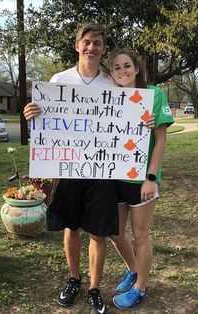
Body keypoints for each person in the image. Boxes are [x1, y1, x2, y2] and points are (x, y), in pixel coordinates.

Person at [23, 24, 155, 314]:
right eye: (87, 42)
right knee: (71, 227)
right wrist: (30, 114)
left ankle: (94, 287)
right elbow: (45, 119)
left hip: (102, 170)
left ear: (103, 49)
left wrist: (144, 121)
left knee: (98, 231)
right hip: (69, 167)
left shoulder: (112, 82)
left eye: (97, 43)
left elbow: (132, 110)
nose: (92, 47)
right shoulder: (59, 79)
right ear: (77, 46)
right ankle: (74, 279)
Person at [107, 48, 174, 310]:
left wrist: (151, 177)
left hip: (141, 180)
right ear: (111, 73)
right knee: (114, 232)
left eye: (127, 66)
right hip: (113, 178)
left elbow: (161, 140)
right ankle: (133, 269)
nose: (122, 71)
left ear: (136, 68)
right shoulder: (108, 98)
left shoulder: (153, 95)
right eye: (116, 67)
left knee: (141, 235)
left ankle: (140, 288)